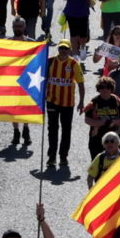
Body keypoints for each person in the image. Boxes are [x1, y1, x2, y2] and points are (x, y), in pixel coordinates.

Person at [43, 41, 84, 171]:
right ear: (58, 49)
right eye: (61, 48)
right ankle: (52, 156)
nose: (63, 51)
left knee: (66, 130)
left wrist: (82, 101)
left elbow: (81, 83)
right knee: (52, 129)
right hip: (52, 101)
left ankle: (63, 156)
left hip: (67, 103)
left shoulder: (73, 64)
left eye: (66, 49)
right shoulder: (49, 62)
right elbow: (40, 77)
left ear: (70, 50)